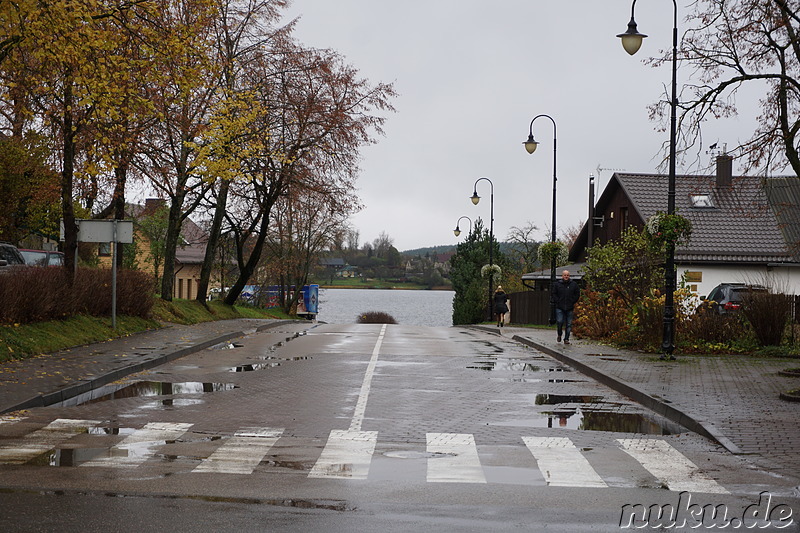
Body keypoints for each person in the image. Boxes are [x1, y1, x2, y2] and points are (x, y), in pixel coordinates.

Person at [551, 270, 580, 344]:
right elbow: (554, 293)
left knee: (569, 324)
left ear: (569, 276)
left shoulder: (573, 284)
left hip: (569, 307)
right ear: (562, 276)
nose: (566, 276)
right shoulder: (557, 284)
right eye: (565, 275)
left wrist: (572, 301)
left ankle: (566, 338)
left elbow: (577, 294)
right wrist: (557, 301)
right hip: (560, 307)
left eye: (567, 275)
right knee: (560, 321)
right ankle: (559, 334)